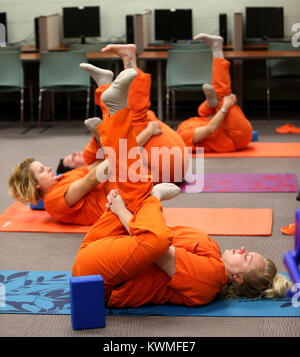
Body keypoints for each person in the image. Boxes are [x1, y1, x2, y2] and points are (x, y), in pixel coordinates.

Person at [72, 68, 291, 309]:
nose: (242, 248)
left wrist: (127, 209)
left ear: (238, 278)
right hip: (111, 245)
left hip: (99, 278)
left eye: (247, 257)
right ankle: (113, 107)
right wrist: (135, 206)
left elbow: (154, 247)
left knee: (150, 220)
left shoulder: (210, 279)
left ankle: (147, 189)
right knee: (136, 188)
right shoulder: (212, 254)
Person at [8, 69, 180, 226]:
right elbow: (90, 180)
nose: (48, 167)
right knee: (118, 141)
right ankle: (105, 103)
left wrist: (110, 154)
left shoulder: (60, 181)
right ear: (36, 185)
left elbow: (90, 169)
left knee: (101, 151)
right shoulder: (53, 201)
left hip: (116, 188)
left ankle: (105, 91)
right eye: (42, 170)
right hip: (121, 205)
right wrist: (114, 157)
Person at [58, 44, 189, 183]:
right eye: (72, 159)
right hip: (167, 170)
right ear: (74, 171)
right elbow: (123, 153)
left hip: (175, 163)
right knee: (132, 120)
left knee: (118, 128)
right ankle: (124, 62)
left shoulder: (90, 155)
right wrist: (148, 132)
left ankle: (105, 85)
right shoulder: (89, 173)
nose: (73, 153)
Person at [177, 33, 253, 153]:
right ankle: (216, 48)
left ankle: (211, 103)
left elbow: (208, 120)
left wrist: (219, 107)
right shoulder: (183, 137)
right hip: (236, 138)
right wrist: (225, 107)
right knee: (221, 95)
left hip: (226, 128)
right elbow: (210, 129)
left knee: (202, 111)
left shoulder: (182, 126)